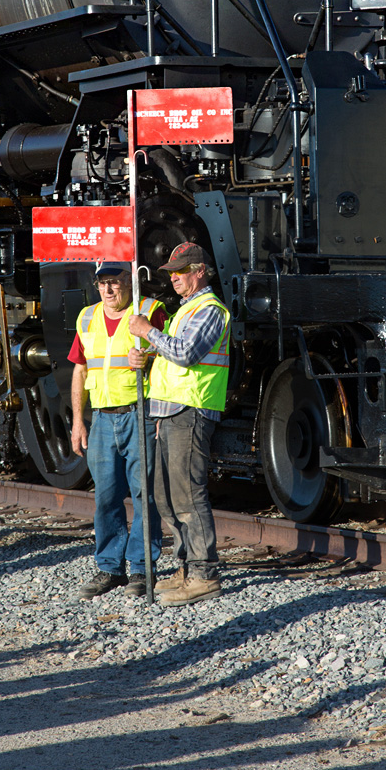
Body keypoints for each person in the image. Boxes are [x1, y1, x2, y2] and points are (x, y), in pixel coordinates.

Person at [128, 242, 230, 607]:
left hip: (191, 409)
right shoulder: (185, 311)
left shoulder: (210, 310)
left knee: (188, 495)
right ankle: (186, 568)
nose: (173, 278)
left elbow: (187, 354)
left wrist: (147, 333)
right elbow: (174, 352)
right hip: (168, 411)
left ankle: (204, 574)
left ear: (200, 270)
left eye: (180, 271)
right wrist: (149, 355)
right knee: (165, 497)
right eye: (170, 272)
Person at [69, 262, 166, 599]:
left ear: (130, 281)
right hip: (103, 420)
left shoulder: (149, 311)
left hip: (141, 415)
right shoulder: (87, 317)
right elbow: (80, 370)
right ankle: (110, 568)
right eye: (102, 283)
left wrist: (149, 360)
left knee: (144, 495)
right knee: (106, 497)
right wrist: (78, 421)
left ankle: (142, 569)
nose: (108, 290)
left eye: (115, 282)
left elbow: (169, 357)